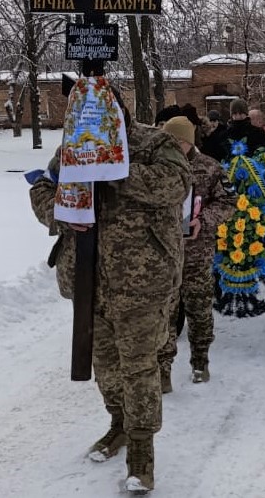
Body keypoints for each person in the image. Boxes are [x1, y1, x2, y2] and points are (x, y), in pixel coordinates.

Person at [29, 85, 191, 494]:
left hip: (142, 282)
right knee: (106, 365)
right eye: (82, 113)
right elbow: (42, 187)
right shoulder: (73, 146)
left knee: (139, 367)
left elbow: (175, 185)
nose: (91, 120)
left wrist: (116, 167)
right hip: (88, 280)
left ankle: (141, 454)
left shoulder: (153, 143)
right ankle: (117, 425)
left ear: (118, 111)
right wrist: (63, 214)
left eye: (100, 112)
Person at [158, 116, 236, 385]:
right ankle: (162, 369)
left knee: (199, 310)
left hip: (197, 253)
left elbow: (229, 201)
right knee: (164, 315)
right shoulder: (156, 167)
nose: (175, 146)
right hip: (163, 255)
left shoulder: (209, 168)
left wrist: (204, 220)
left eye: (179, 141)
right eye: (169, 141)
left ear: (190, 142)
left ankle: (200, 361)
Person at [214, 98, 265, 317]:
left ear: (245, 114)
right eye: (234, 113)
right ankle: (228, 287)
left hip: (254, 195)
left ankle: (251, 284)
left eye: (240, 113)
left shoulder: (256, 134)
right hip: (230, 196)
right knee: (229, 240)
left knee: (251, 237)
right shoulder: (223, 136)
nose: (237, 117)